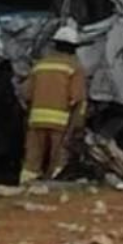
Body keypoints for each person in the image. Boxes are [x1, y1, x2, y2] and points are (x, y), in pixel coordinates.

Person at [20, 22, 87, 183]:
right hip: (61, 123)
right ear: (73, 48)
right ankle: (54, 189)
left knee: (32, 160)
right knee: (59, 159)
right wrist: (77, 127)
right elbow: (78, 100)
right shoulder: (74, 67)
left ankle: (25, 187)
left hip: (36, 121)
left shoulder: (40, 65)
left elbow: (25, 94)